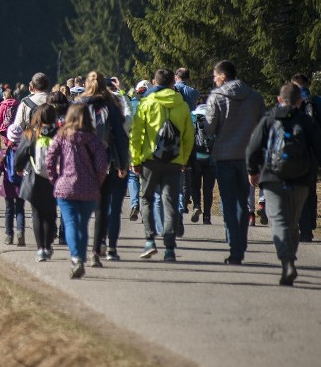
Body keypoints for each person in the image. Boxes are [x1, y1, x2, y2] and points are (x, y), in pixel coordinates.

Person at [246, 83, 321, 285]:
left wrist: (252, 170)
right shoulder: (307, 121)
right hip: (301, 179)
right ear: (299, 101)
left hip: (272, 177)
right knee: (293, 223)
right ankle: (290, 258)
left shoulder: (269, 119)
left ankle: (287, 260)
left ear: (279, 99)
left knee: (278, 220)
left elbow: (253, 147)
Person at [129, 69, 194, 262]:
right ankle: (170, 247)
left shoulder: (147, 103)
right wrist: (182, 159)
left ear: (154, 83)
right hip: (174, 161)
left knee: (147, 199)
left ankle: (150, 240)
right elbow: (188, 137)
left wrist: (135, 160)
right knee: (170, 202)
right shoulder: (181, 105)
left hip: (150, 160)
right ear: (172, 84)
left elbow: (136, 134)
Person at [205, 60, 266, 264]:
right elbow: (262, 127)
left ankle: (235, 247)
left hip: (224, 155)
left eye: (215, 76)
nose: (214, 80)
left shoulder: (217, 97)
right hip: (249, 157)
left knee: (228, 202)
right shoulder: (255, 97)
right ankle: (242, 242)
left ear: (223, 76)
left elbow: (210, 128)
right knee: (243, 201)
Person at [46, 103, 109, 279]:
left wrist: (55, 180)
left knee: (71, 223)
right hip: (89, 188)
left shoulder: (61, 137)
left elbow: (49, 160)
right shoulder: (95, 140)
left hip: (66, 187)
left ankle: (76, 258)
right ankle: (80, 256)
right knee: (83, 225)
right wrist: (96, 181)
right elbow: (102, 165)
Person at [76, 71, 130, 266]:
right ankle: (96, 250)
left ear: (86, 83)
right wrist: (122, 163)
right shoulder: (111, 105)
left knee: (81, 207)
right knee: (102, 207)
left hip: (81, 162)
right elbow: (121, 136)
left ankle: (78, 250)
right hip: (104, 162)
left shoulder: (78, 104)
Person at [15, 104, 58, 261]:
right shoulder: (60, 134)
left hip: (34, 177)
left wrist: (19, 168)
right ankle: (48, 245)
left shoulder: (31, 134)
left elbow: (20, 155)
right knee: (50, 213)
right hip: (55, 178)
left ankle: (40, 249)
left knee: (37, 213)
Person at [0, 125, 26, 246]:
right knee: (20, 210)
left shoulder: (4, 153)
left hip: (8, 187)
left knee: (9, 211)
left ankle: (9, 235)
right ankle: (20, 232)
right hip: (21, 186)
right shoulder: (25, 152)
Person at [292, 73, 321, 241]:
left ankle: (305, 231)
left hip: (298, 151)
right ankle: (311, 223)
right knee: (311, 188)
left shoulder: (293, 100)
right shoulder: (316, 101)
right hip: (314, 152)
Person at [127, 80, 150, 221]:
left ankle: (134, 203)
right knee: (146, 179)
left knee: (133, 176)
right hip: (148, 146)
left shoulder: (132, 104)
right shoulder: (152, 105)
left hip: (133, 144)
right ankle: (145, 210)